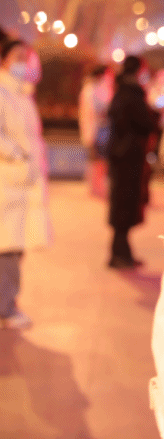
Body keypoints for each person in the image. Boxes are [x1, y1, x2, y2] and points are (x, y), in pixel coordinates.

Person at [0, 39, 52, 329]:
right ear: (3, 60)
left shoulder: (21, 94)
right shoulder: (3, 92)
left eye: (26, 56)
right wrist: (16, 154)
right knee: (7, 248)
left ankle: (7, 303)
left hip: (20, 184)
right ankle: (4, 308)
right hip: (7, 182)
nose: (24, 62)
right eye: (18, 56)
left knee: (14, 246)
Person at [107, 56, 160, 269]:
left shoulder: (121, 91)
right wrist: (154, 116)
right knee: (125, 203)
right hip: (129, 157)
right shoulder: (133, 94)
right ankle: (119, 253)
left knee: (122, 202)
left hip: (121, 155)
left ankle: (122, 251)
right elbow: (144, 123)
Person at [78, 64, 115, 198]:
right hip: (96, 130)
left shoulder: (98, 88)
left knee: (98, 160)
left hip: (98, 129)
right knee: (97, 160)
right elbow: (96, 110)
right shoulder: (91, 89)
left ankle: (97, 187)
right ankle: (95, 187)